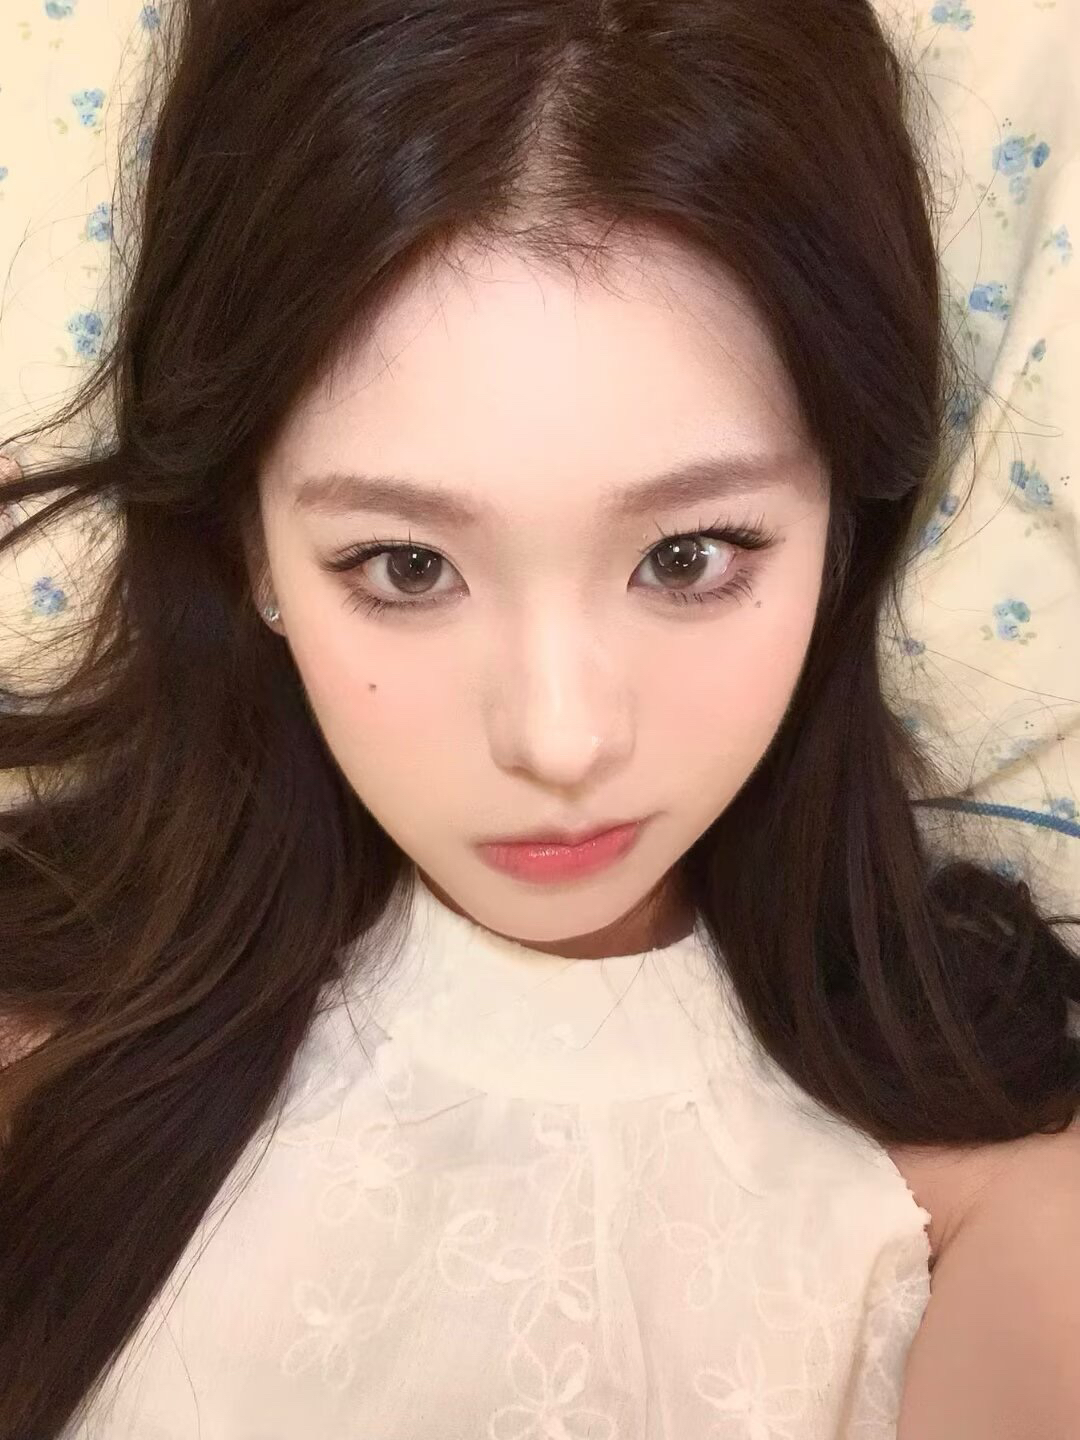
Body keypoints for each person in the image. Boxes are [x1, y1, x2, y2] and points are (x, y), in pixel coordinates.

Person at [1, 0, 1078, 1435]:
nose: (560, 742)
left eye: (687, 556)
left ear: (843, 525)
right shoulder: (38, 1058)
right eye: (406, 566)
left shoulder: (993, 1186)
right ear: (248, 542)